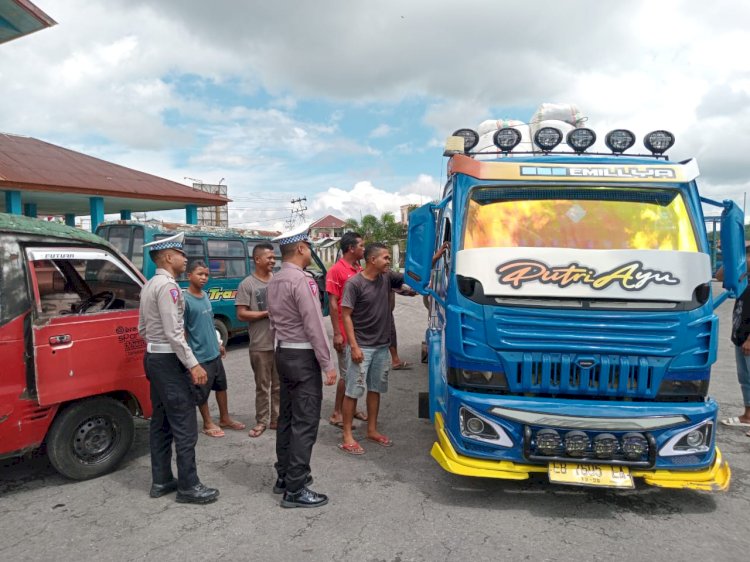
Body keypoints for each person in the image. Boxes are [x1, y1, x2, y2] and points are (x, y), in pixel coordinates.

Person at [138, 232, 219, 504]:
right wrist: (193, 363)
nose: (185, 259)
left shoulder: (149, 285)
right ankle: (188, 486)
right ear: (168, 257)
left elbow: (142, 329)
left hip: (154, 359)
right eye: (181, 254)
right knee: (185, 425)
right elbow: (174, 333)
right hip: (170, 362)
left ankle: (161, 480)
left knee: (160, 424)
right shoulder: (169, 287)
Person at [267, 224, 337, 508]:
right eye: (308, 246)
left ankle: (284, 475)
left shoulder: (275, 279)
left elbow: (273, 321)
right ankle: (295, 489)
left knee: (287, 418)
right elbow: (314, 325)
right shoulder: (302, 280)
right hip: (303, 357)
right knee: (305, 422)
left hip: (283, 353)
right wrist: (327, 363)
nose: (310, 251)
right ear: (300, 248)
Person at [339, 242, 413, 454]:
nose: (389, 261)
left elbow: (415, 275)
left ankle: (372, 430)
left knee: (375, 389)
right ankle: (347, 436)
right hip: (362, 347)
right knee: (353, 391)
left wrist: (433, 257)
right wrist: (353, 346)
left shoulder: (387, 278)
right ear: (372, 260)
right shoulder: (354, 284)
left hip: (381, 347)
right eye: (386, 258)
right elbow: (345, 315)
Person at [184, 260, 245, 438]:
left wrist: (218, 344)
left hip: (214, 353)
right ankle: (208, 422)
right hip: (199, 356)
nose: (204, 278)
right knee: (201, 392)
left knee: (221, 387)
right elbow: (183, 332)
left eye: (206, 275)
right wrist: (190, 360)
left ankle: (225, 418)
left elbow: (209, 323)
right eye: (199, 274)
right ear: (189, 276)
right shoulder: (185, 300)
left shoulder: (205, 296)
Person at [236, 242, 280, 438]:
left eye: (274, 257)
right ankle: (261, 421)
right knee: (262, 386)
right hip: (260, 344)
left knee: (279, 385)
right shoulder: (247, 284)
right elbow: (241, 314)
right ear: (257, 259)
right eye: (269, 257)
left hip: (280, 343)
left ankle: (276, 419)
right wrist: (265, 313)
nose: (273, 260)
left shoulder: (278, 281)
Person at [325, 231, 368, 428]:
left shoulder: (358, 268)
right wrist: (337, 333)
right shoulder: (336, 270)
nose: (364, 249)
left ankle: (352, 408)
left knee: (357, 372)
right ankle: (337, 412)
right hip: (344, 331)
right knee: (346, 374)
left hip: (358, 330)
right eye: (361, 246)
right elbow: (333, 305)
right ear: (351, 248)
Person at [717, 243, 750, 431]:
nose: (745, 260)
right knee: (744, 378)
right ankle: (748, 414)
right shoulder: (744, 278)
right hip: (740, 334)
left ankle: (748, 416)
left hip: (748, 338)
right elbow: (720, 277)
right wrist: (731, 257)